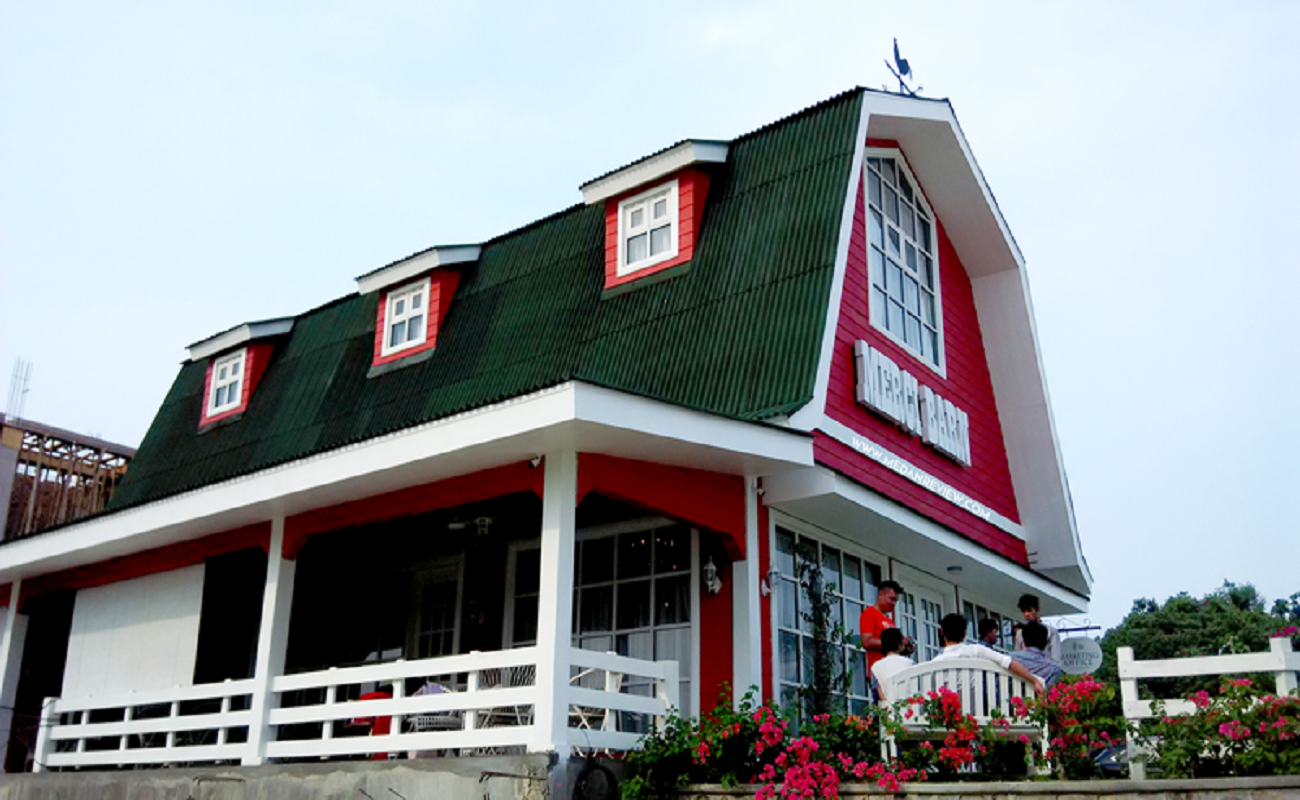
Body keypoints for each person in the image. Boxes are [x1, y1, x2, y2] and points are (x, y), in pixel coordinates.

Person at [933, 613, 1045, 695]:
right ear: (965, 633)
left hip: (947, 722)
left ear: (942, 633)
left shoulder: (935, 664)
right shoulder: (977, 651)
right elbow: (1010, 663)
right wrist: (1034, 680)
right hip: (977, 716)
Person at [859, 580, 911, 672]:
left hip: (893, 669)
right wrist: (893, 643)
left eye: (895, 600)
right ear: (880, 594)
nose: (893, 603)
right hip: (878, 671)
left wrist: (904, 646)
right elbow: (866, 641)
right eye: (891, 599)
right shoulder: (869, 613)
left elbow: (893, 648)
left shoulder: (889, 620)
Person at [1010, 621, 1064, 689]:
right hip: (1037, 699)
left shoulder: (1009, 658)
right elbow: (1048, 692)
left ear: (1023, 642)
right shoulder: (1054, 669)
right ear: (1045, 643)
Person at [870, 627, 914, 706]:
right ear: (899, 645)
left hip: (887, 710)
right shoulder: (910, 663)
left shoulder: (875, 667)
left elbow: (879, 695)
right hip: (908, 708)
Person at [1013, 594, 1061, 660]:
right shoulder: (1020, 633)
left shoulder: (1051, 632)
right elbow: (1017, 657)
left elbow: (1056, 658)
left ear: (1037, 609)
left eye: (1029, 610)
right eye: (1023, 611)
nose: (1026, 614)